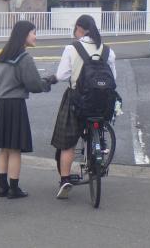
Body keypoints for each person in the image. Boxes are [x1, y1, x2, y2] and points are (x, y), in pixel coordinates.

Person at [0, 20, 53, 199]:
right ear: (24, 35)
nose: (36, 36)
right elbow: (34, 84)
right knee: (15, 149)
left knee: (3, 149)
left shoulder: (2, 55)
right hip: (13, 105)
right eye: (33, 32)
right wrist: (48, 82)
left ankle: (1, 187)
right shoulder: (24, 57)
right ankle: (14, 189)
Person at [48, 15, 116, 200]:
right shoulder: (107, 50)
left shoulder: (72, 48)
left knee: (68, 143)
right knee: (99, 129)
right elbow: (113, 80)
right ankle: (100, 154)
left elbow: (62, 75)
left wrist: (50, 79)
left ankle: (65, 180)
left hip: (76, 100)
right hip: (101, 102)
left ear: (79, 28)